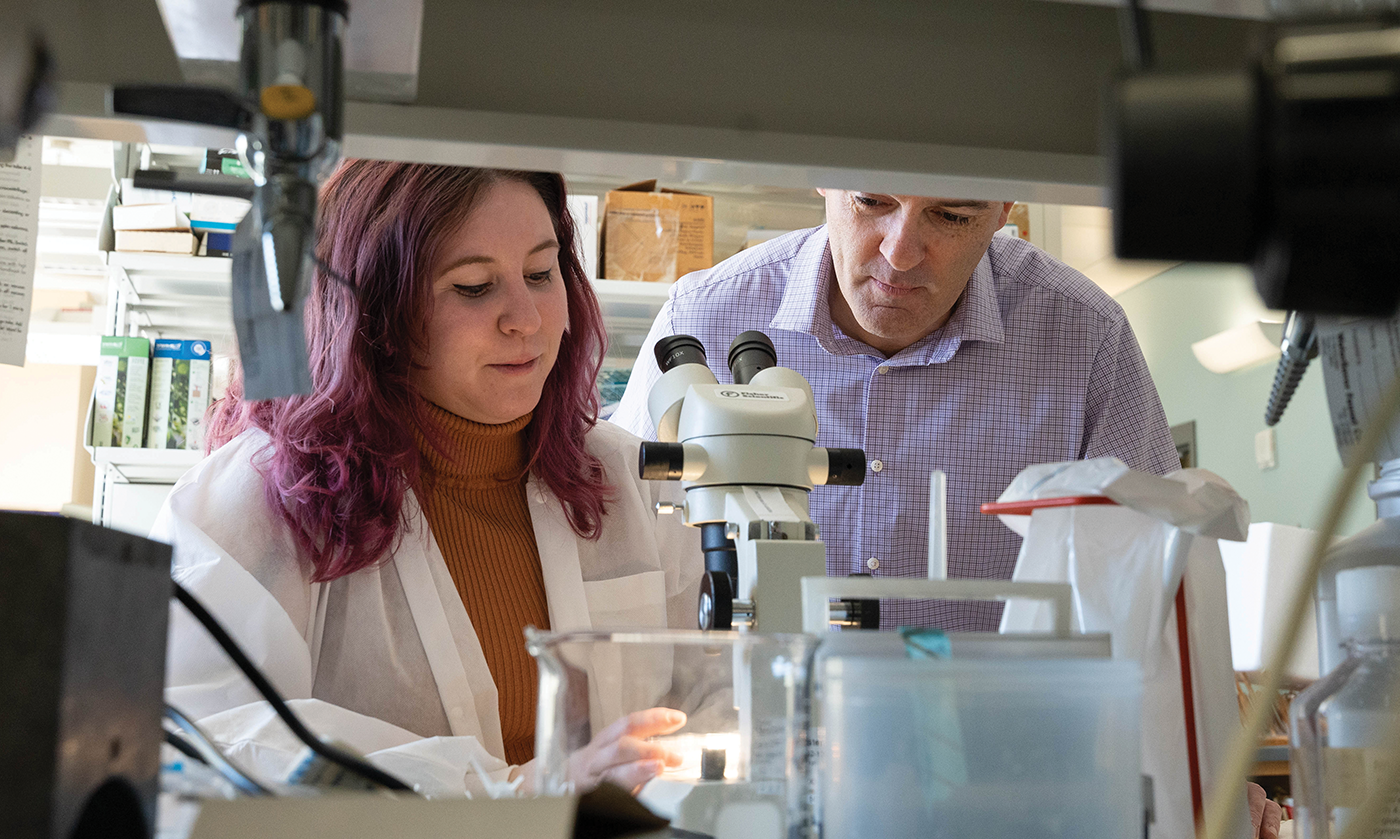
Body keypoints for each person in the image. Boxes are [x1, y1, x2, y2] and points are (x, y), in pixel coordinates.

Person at [155, 161, 704, 797]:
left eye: (539, 273)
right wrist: (505, 793)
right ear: (375, 313)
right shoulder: (257, 497)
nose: (524, 318)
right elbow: (206, 734)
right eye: (474, 286)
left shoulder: (627, 478)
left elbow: (711, 689)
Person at [611, 191, 1181, 630]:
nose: (899, 252)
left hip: (999, 753)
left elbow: (1159, 584)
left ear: (1006, 206)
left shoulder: (1085, 337)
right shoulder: (704, 316)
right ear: (823, 178)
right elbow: (616, 553)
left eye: (952, 216)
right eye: (871, 202)